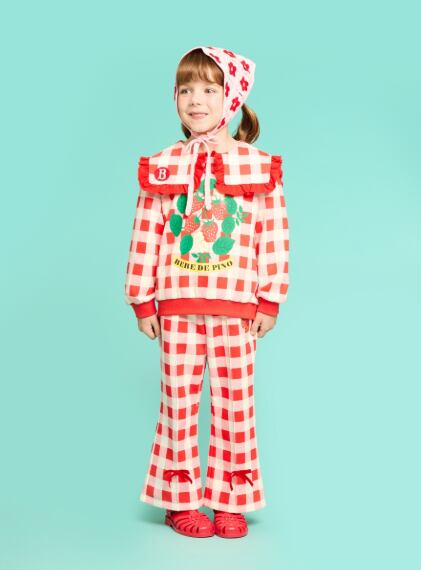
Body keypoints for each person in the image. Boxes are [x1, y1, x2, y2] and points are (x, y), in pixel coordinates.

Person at [124, 45, 290, 539]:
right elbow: (145, 231)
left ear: (231, 98)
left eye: (209, 90)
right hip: (176, 306)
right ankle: (178, 501)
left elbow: (273, 234)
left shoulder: (257, 167)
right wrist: (141, 298)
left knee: (236, 403)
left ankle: (230, 499)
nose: (196, 100)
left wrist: (270, 298)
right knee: (177, 402)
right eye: (186, 90)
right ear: (175, 97)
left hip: (237, 307)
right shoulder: (163, 165)